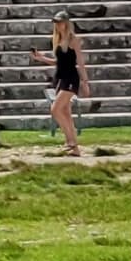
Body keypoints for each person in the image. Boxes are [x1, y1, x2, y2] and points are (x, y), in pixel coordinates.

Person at [40, 10, 93, 158]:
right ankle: (73, 148)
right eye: (56, 22)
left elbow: (80, 62)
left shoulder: (72, 39)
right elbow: (58, 62)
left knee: (55, 109)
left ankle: (71, 142)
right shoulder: (56, 39)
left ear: (66, 23)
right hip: (60, 78)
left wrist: (85, 82)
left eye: (60, 22)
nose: (58, 25)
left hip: (70, 78)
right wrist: (41, 58)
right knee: (66, 113)